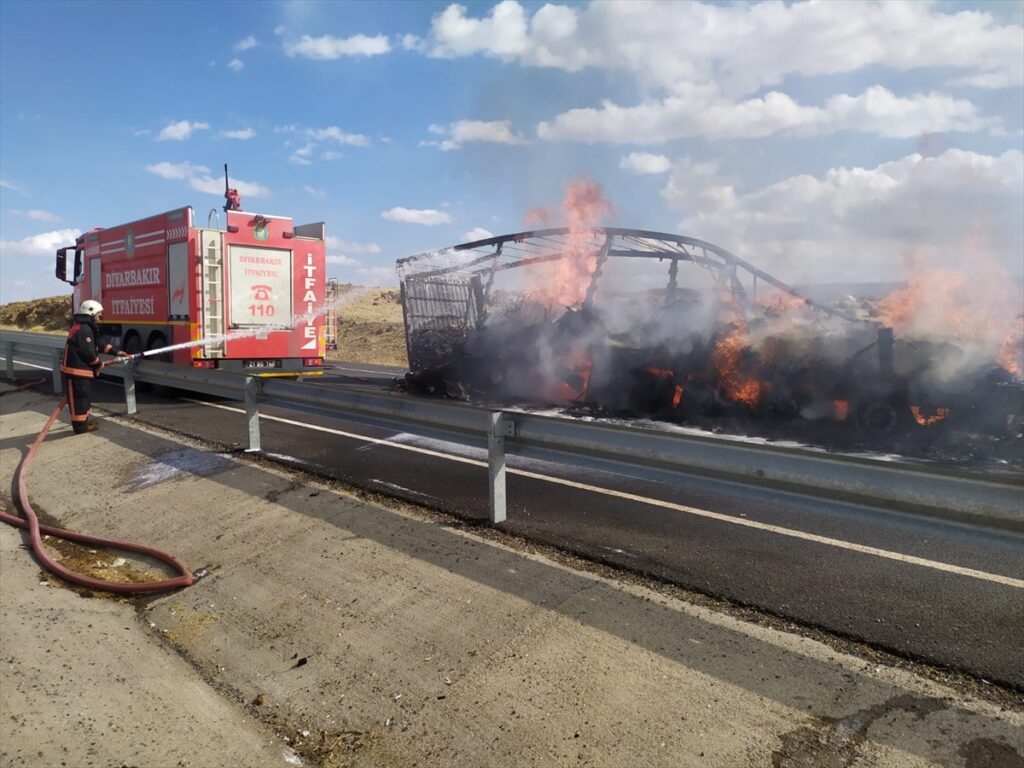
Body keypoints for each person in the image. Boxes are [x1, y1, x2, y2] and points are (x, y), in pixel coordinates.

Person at [60, 300, 128, 433]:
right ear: (91, 312)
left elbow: (98, 344)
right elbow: (88, 353)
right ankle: (80, 428)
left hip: (80, 371)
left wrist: (115, 351)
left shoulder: (86, 327)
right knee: (79, 400)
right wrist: (98, 363)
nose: (100, 317)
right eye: (99, 314)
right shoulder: (83, 329)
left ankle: (83, 424)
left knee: (84, 398)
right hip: (75, 371)